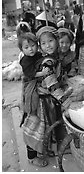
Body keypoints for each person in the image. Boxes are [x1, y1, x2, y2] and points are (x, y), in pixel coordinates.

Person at [18, 32, 48, 167]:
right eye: (26, 47)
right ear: (22, 50)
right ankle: (32, 157)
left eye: (33, 45)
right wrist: (42, 73)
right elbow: (31, 74)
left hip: (39, 91)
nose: (31, 49)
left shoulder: (38, 56)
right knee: (33, 123)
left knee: (41, 126)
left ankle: (40, 150)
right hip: (31, 90)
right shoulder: (25, 61)